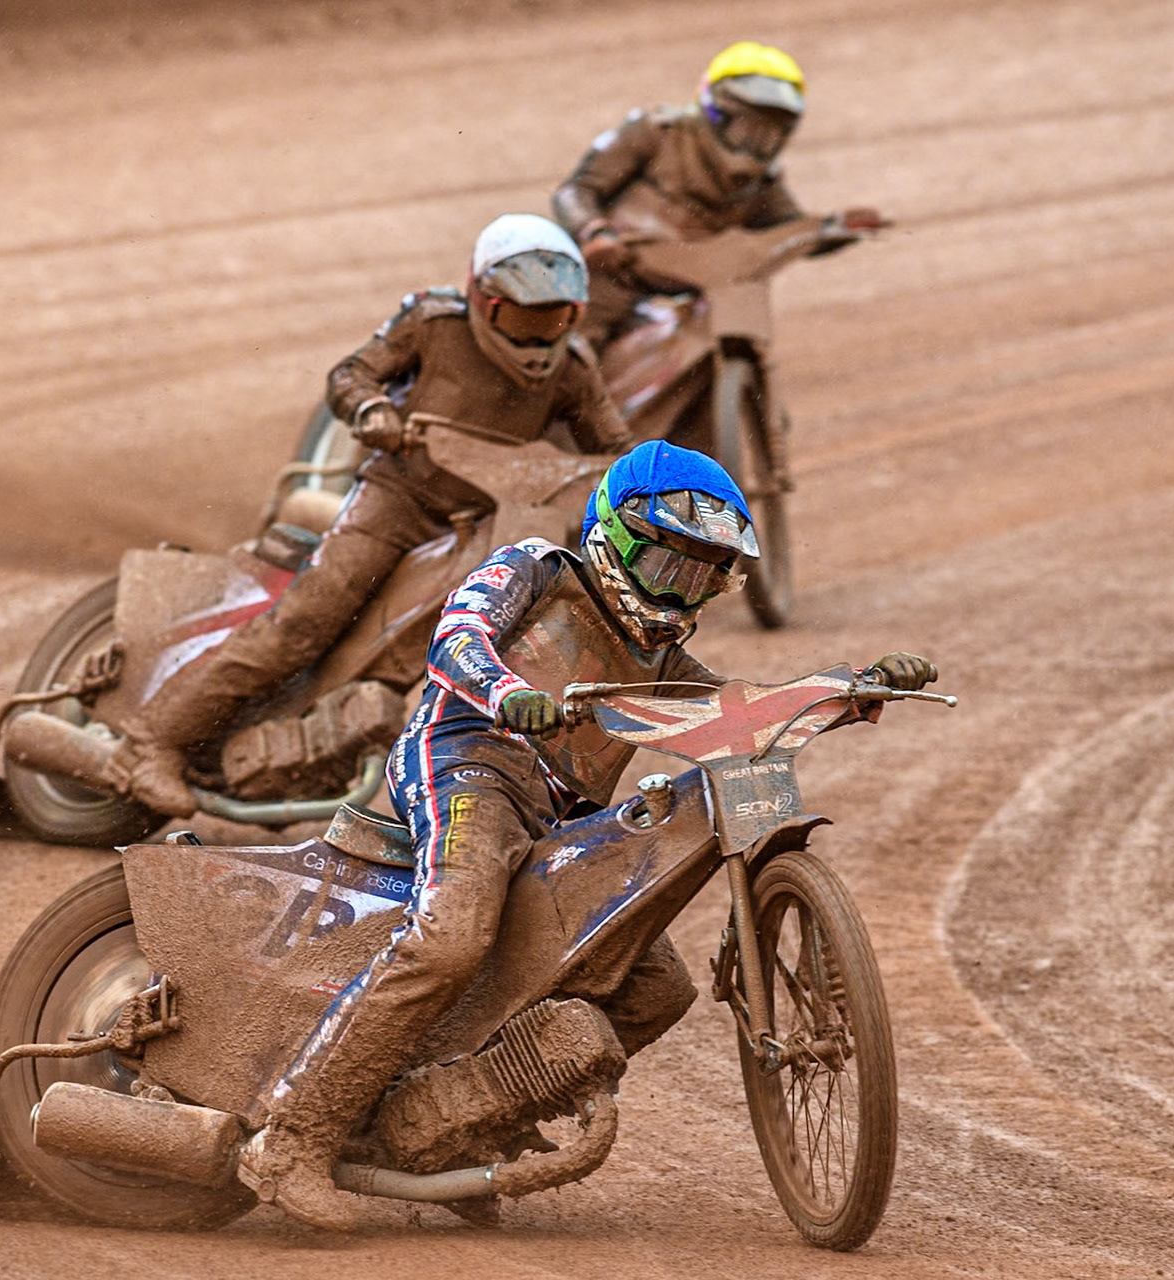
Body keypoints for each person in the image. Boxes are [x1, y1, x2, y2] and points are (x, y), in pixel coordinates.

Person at [235, 440, 938, 1230]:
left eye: (705, 575)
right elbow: (456, 638)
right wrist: (507, 693)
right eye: (673, 566)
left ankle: (458, 1126)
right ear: (618, 535)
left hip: (558, 818)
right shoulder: (537, 568)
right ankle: (293, 1137)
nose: (684, 590)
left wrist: (851, 685)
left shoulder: (664, 658)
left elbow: (744, 713)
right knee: (453, 934)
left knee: (654, 988)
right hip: (468, 759)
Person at [115, 213, 631, 817]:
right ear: (481, 300)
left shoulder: (574, 370)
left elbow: (617, 451)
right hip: (398, 502)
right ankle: (152, 741)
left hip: (488, 526)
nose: (539, 337)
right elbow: (351, 373)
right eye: (523, 317)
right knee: (305, 621)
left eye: (556, 318)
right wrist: (371, 409)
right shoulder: (432, 324)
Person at [551, 40, 886, 347]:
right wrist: (595, 232)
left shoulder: (762, 182)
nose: (754, 141)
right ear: (714, 108)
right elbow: (576, 190)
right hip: (617, 274)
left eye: (768, 132)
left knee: (740, 338)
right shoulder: (657, 132)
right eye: (745, 125)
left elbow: (787, 229)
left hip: (696, 297)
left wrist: (833, 229)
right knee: (575, 355)